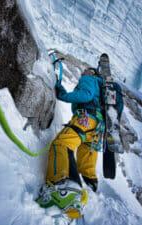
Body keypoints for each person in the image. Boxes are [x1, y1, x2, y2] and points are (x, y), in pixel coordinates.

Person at [36, 67, 105, 218]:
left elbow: (86, 95)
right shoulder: (102, 89)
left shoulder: (89, 79)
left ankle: (62, 186)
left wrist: (63, 95)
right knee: (86, 160)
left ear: (92, 73)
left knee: (62, 144)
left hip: (85, 119)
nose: (82, 73)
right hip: (98, 129)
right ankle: (89, 185)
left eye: (85, 71)